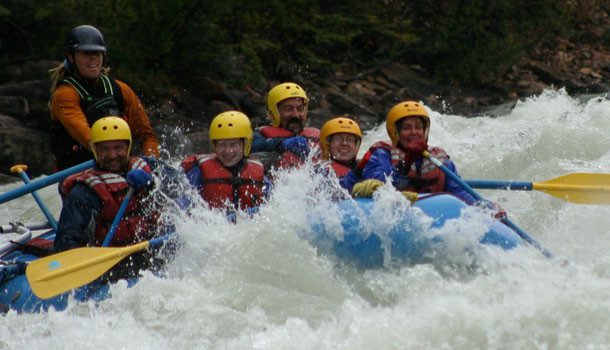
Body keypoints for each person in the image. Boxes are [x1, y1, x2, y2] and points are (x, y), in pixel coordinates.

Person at [54, 117, 176, 279]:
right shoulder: (84, 192)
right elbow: (67, 242)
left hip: (154, 250)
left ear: (128, 147)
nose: (112, 155)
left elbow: (181, 188)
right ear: (95, 151)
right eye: (104, 149)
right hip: (114, 263)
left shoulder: (149, 168)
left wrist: (152, 183)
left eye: (118, 148)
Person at [49, 24, 160, 170]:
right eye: (85, 53)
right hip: (79, 176)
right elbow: (89, 140)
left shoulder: (120, 89)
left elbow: (147, 136)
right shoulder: (64, 95)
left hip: (120, 170)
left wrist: (151, 164)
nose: (93, 57)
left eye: (97, 53)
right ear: (71, 56)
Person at [342, 101, 480, 206]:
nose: (414, 132)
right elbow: (381, 189)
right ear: (395, 133)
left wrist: (486, 208)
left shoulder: (439, 159)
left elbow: (461, 192)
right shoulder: (381, 155)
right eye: (406, 128)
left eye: (418, 127)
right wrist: (406, 164)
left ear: (425, 131)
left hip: (431, 216)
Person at [181, 111, 271, 212]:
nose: (228, 151)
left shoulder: (259, 174)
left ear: (246, 144)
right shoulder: (199, 171)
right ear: (214, 146)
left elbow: (272, 207)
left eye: (233, 144)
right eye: (221, 144)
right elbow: (183, 206)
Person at [250, 82, 320, 171]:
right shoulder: (258, 136)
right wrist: (280, 143)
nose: (295, 114)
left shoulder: (316, 137)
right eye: (288, 109)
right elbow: (249, 147)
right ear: (274, 112)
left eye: (300, 109)